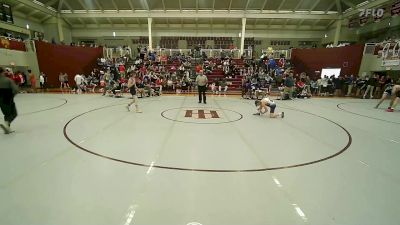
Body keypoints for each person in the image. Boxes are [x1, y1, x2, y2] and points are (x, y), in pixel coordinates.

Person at [0, 67, 19, 134]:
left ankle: (7, 128)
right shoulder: (8, 80)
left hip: (1, 100)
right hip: (8, 99)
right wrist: (12, 96)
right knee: (14, 113)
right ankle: (7, 124)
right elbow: (16, 90)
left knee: (6, 114)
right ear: (2, 72)